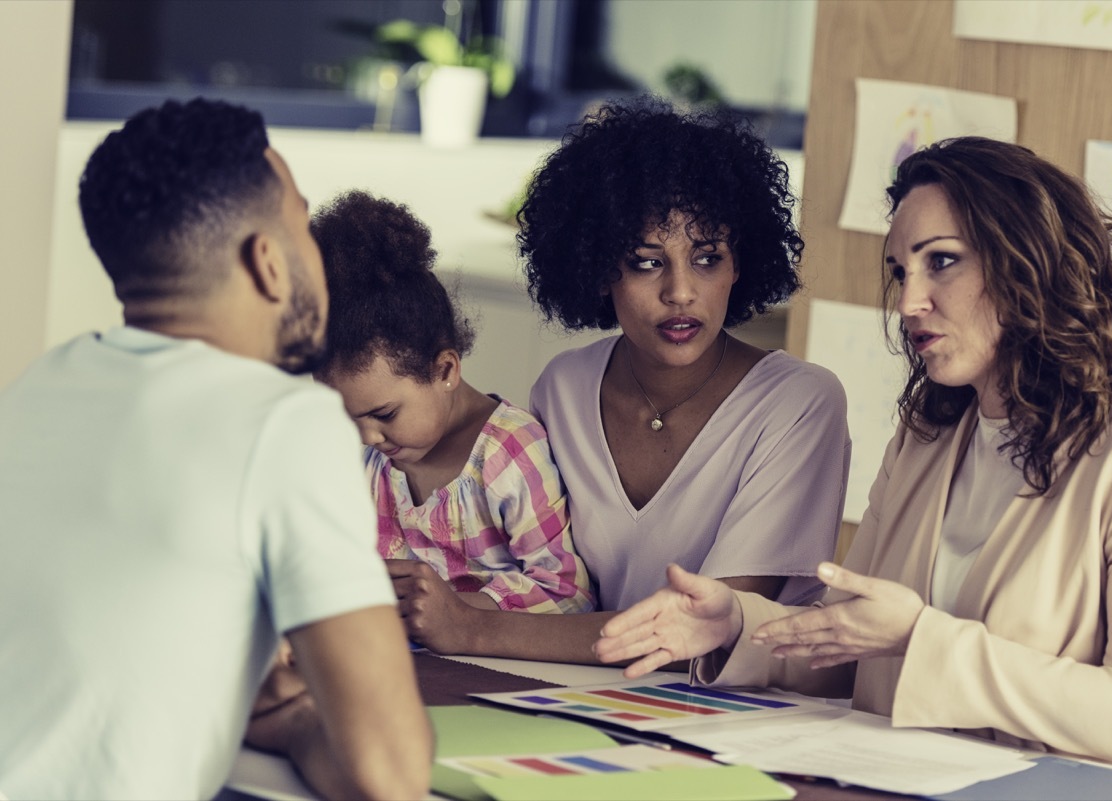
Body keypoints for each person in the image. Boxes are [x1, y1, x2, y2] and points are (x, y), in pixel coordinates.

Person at [595, 136, 1112, 781]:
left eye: (942, 261)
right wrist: (734, 625)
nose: (911, 302)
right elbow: (849, 642)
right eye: (901, 271)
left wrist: (919, 638)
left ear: (1029, 263)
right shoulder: (928, 437)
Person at [0, 98, 431, 799]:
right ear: (268, 262)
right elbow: (389, 773)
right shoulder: (285, 422)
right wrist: (294, 721)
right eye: (302, 224)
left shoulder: (35, 389)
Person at [392, 98, 849, 662]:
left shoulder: (799, 404)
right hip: (576, 691)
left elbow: (699, 632)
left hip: (739, 703)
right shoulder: (563, 389)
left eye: (707, 258)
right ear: (596, 267)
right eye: (646, 262)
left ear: (740, 264)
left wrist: (472, 628)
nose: (680, 292)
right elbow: (541, 583)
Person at [308, 189, 594, 648]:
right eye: (349, 419)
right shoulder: (373, 461)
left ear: (444, 370)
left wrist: (456, 613)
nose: (368, 437)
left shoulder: (508, 453)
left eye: (384, 414)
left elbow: (568, 596)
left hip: (500, 667)